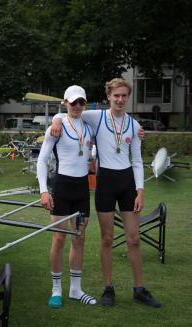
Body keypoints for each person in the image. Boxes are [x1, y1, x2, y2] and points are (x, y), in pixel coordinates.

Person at [51, 78, 162, 308]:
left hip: (127, 183)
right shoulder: (97, 117)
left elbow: (138, 161)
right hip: (106, 184)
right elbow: (70, 112)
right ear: (109, 97)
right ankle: (108, 288)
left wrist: (140, 190)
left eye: (124, 96)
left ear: (127, 97)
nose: (120, 100)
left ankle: (139, 289)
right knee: (107, 239)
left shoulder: (133, 125)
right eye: (116, 96)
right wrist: (55, 120)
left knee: (134, 239)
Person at [37, 85, 97, 309]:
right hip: (62, 187)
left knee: (79, 238)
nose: (78, 106)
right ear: (65, 103)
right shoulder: (57, 126)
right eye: (73, 103)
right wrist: (44, 190)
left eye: (81, 102)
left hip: (82, 189)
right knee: (59, 239)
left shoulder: (89, 126)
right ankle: (56, 290)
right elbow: (42, 160)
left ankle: (75, 290)